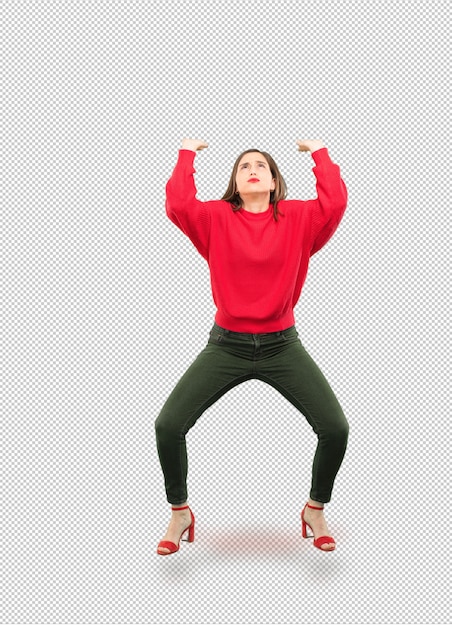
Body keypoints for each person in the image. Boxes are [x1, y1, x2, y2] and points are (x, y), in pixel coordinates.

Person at [155, 137, 349, 555]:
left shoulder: (298, 218)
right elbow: (179, 205)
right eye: (244, 166)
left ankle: (314, 509)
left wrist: (319, 152)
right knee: (168, 425)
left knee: (335, 428)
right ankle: (179, 512)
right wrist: (186, 153)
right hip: (226, 346)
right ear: (236, 182)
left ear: (276, 180)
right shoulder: (216, 218)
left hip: (283, 346)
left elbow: (333, 204)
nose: (253, 169)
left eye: (262, 164)